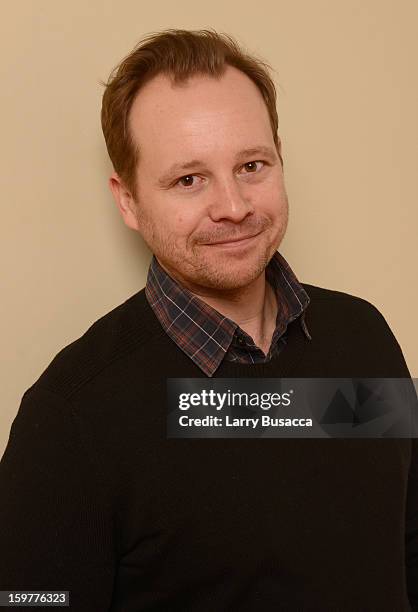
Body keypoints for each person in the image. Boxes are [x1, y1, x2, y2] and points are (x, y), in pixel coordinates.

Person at [0, 29, 416, 611]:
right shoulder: (71, 419)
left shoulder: (364, 337)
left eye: (251, 164)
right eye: (188, 179)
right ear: (128, 200)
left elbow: (401, 544)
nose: (234, 206)